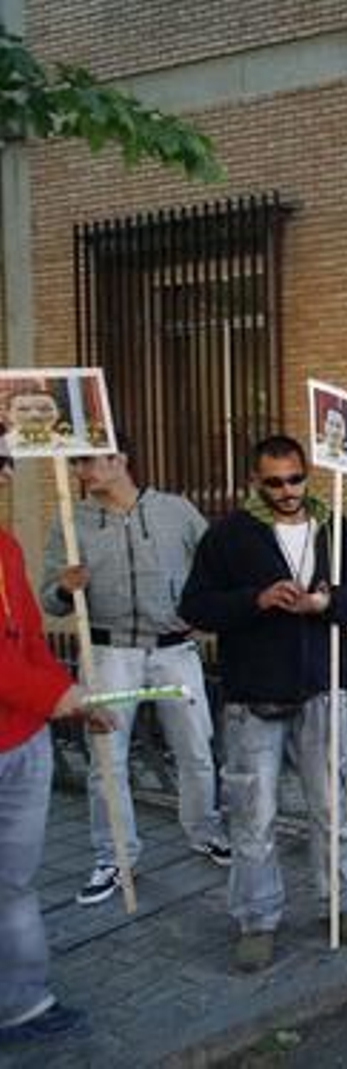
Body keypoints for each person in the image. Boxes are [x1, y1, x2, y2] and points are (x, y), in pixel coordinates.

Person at [179, 435, 347, 973]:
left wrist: (327, 602)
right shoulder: (228, 535)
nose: (287, 491)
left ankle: (343, 902)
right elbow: (195, 606)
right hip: (252, 693)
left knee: (333, 808)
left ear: (306, 474)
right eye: (274, 482)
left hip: (322, 686)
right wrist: (257, 599)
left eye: (294, 479)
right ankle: (257, 919)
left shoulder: (337, 530)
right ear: (256, 481)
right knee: (253, 815)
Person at [39, 451, 231, 908]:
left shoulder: (175, 510)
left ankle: (205, 830)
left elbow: (215, 568)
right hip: (108, 653)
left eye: (88, 462)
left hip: (174, 650)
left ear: (118, 459)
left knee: (197, 751)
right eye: (76, 465)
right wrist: (65, 587)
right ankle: (114, 856)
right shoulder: (71, 519)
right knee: (106, 760)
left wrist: (209, 616)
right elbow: (50, 598)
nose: (80, 473)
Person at [0, 425, 99, 1046]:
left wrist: (73, 700)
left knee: (14, 882)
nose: (8, 474)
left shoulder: (6, 547)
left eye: (6, 461)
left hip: (25, 743)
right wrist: (53, 695)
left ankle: (23, 1003)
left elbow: (29, 642)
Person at [3, 381, 72, 452]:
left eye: (44, 409)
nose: (35, 415)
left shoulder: (71, 445)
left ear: (59, 413)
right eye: (23, 409)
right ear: (8, 414)